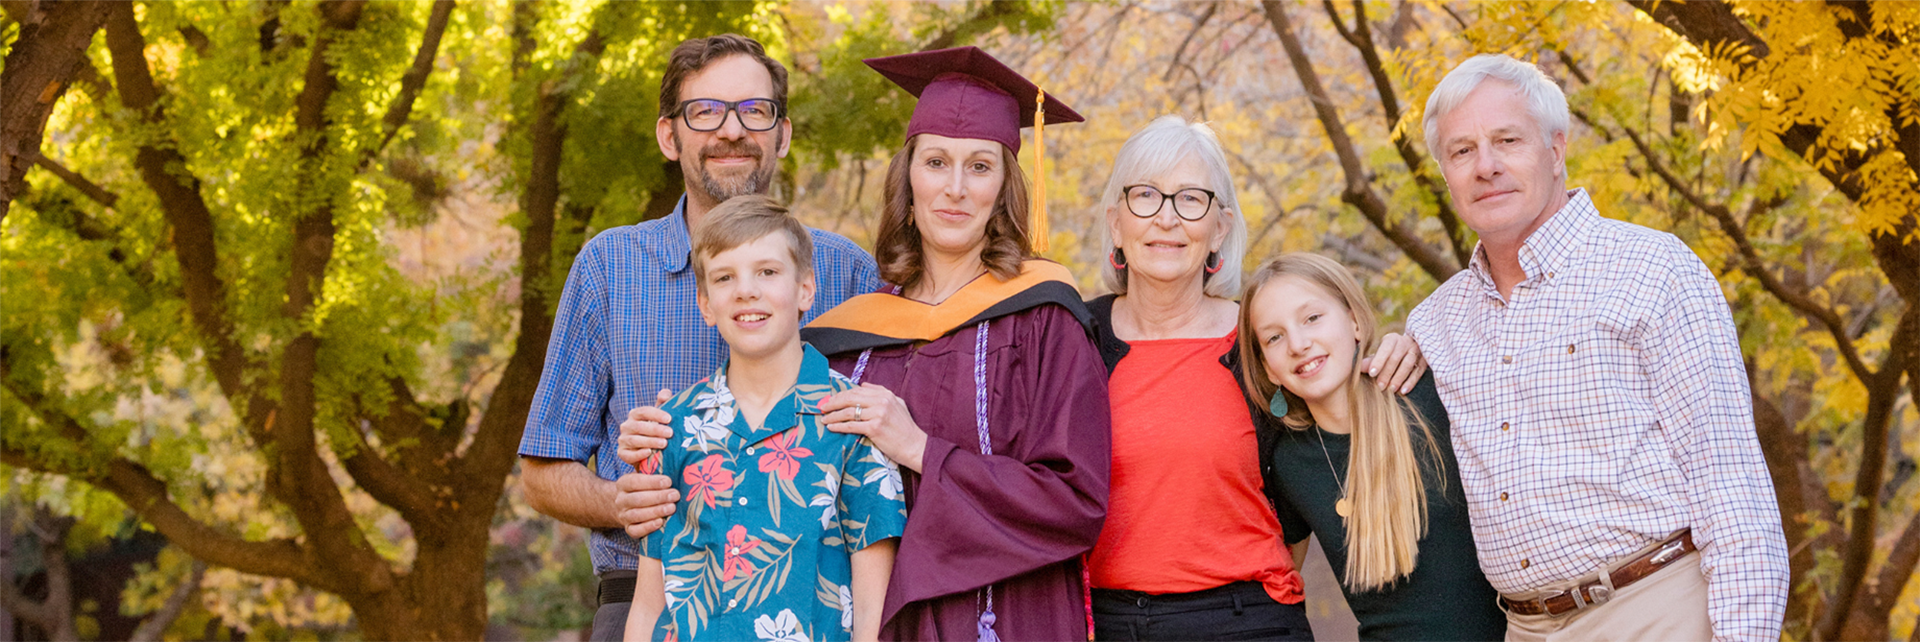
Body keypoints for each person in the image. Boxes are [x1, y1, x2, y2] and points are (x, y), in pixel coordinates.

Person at [1407, 54, 1789, 641]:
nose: (1485, 166)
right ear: (1446, 173)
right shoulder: (1436, 322)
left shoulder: (1654, 271)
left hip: (1660, 609)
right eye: (1461, 151)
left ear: (1556, 150)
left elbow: (1733, 493)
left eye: (1507, 140)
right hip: (1525, 627)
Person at [516, 34, 881, 642]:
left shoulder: (846, 272)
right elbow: (541, 469)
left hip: (809, 604)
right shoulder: (611, 267)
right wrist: (619, 501)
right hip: (645, 597)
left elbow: (876, 462)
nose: (731, 130)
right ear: (669, 136)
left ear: (782, 133)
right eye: (705, 111)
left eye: (754, 111)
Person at [800, 46, 1112, 642]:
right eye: (937, 162)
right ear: (908, 176)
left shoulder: (1044, 317)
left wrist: (920, 450)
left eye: (980, 167)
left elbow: (1076, 501)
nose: (956, 189)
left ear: (1004, 186)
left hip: (1011, 619)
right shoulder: (847, 336)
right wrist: (674, 431)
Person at [1082, 116, 1424, 642]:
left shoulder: (1261, 343)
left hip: (1248, 622)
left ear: (1219, 227)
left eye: (1191, 199)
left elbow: (1330, 432)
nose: (1167, 219)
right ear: (1115, 222)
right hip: (1103, 624)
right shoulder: (1072, 340)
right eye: (1145, 195)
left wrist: (1401, 349)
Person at [622, 196, 904, 642]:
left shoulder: (853, 421)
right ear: (706, 304)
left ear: (805, 290)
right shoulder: (671, 428)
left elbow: (873, 608)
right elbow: (648, 605)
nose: (746, 290)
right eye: (724, 277)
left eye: (767, 272)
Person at [1235, 252, 1504, 642]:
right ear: (1266, 367)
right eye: (1274, 337)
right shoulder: (1289, 463)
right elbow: (1281, 582)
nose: (1298, 343)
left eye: (1312, 318)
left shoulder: (1431, 397)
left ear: (1355, 322)